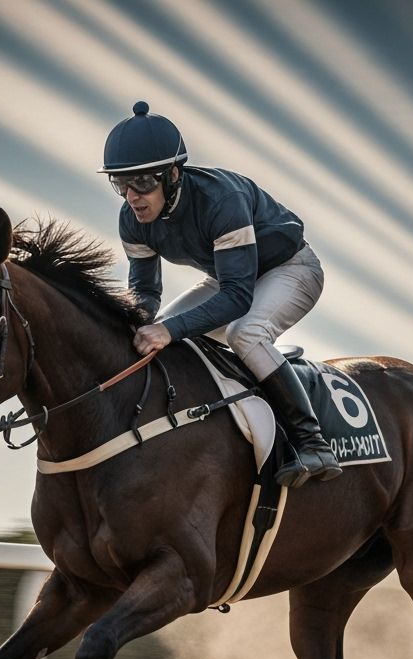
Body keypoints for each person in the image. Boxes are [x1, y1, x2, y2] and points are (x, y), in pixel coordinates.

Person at [100, 100, 341, 488]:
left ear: (173, 175)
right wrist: (131, 325)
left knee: (244, 332)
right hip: (228, 275)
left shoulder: (220, 200)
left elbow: (237, 298)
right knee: (157, 332)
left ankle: (311, 441)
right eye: (120, 183)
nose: (132, 196)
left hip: (290, 269)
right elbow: (145, 292)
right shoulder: (132, 219)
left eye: (143, 182)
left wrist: (170, 331)